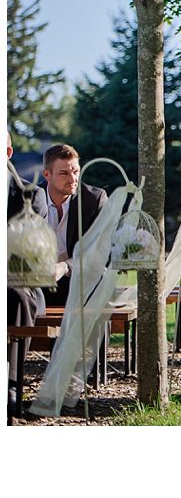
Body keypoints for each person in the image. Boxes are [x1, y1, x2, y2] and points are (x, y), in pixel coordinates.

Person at [7, 132, 47, 418]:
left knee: (15, 295)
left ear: (8, 152)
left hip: (19, 284)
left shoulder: (29, 195)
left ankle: (9, 386)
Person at [40, 143, 108, 307]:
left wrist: (64, 267)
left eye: (76, 171)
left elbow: (98, 252)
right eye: (64, 173)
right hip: (39, 284)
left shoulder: (94, 200)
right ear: (47, 175)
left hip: (83, 281)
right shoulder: (30, 199)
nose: (73, 179)